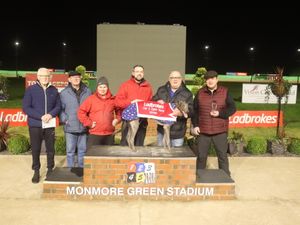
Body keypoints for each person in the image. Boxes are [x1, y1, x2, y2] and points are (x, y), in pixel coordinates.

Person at [192, 70, 236, 176]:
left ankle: (225, 177)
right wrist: (196, 125)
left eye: (212, 78)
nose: (210, 81)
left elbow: (232, 108)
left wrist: (220, 113)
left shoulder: (225, 91)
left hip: (220, 131)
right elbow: (195, 110)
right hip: (203, 131)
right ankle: (199, 177)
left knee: (222, 157)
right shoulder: (200, 92)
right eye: (207, 79)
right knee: (201, 157)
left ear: (217, 79)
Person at [22, 68, 61, 183]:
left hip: (49, 124)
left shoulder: (54, 90)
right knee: (35, 149)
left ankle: (50, 169)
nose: (45, 78)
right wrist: (40, 116)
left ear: (50, 77)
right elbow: (26, 108)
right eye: (43, 76)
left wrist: (50, 114)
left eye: (47, 76)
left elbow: (58, 106)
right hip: (35, 125)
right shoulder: (31, 90)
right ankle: (36, 171)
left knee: (50, 148)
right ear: (38, 77)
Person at [59, 71, 92, 169]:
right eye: (73, 77)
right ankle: (70, 170)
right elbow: (60, 109)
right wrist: (65, 119)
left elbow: (91, 107)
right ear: (69, 79)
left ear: (80, 78)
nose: (76, 79)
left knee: (82, 150)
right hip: (70, 127)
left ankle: (81, 169)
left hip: (83, 126)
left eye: (78, 77)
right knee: (70, 151)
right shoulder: (64, 93)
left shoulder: (88, 91)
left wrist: (89, 120)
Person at [152, 71, 193, 147]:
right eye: (172, 77)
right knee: (161, 155)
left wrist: (180, 113)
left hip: (177, 133)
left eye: (177, 77)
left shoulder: (187, 93)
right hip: (162, 131)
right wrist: (157, 102)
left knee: (176, 157)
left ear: (181, 79)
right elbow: (152, 101)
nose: (175, 79)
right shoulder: (161, 90)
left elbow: (191, 111)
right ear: (169, 79)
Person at [78, 76, 121, 148]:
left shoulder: (113, 99)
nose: (102, 89)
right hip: (95, 133)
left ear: (107, 88)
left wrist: (117, 119)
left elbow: (119, 111)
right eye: (100, 87)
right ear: (97, 88)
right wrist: (89, 123)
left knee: (108, 157)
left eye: (104, 87)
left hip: (109, 134)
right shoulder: (91, 99)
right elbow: (81, 112)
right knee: (93, 156)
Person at [115, 65, 153, 146]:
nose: (139, 73)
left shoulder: (148, 87)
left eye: (141, 72)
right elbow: (117, 102)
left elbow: (150, 103)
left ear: (143, 73)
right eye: (137, 71)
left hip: (142, 122)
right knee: (125, 147)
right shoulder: (125, 85)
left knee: (139, 147)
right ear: (133, 73)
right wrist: (131, 102)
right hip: (128, 122)